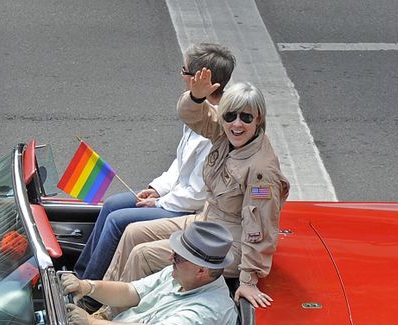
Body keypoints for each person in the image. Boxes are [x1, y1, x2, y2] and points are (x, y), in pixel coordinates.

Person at [102, 73, 290, 309]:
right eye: (230, 116)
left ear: (258, 119)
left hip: (230, 243)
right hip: (206, 222)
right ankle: (103, 297)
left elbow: (259, 228)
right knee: (132, 233)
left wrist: (249, 279)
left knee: (143, 254)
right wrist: (196, 96)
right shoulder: (225, 134)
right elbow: (194, 115)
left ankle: (113, 317)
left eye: (246, 117)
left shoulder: (262, 171)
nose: (237, 124)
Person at [72, 43, 236, 282]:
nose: (182, 76)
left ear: (201, 79)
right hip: (172, 195)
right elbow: (181, 165)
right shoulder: (199, 110)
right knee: (111, 205)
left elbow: (198, 192)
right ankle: (81, 272)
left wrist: (160, 201)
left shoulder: (220, 126)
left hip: (186, 206)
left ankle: (90, 286)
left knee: (118, 222)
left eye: (185, 71)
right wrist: (156, 189)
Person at [62, 221, 238, 325]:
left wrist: (91, 323)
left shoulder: (210, 311)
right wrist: (86, 286)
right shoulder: (181, 275)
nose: (171, 258)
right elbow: (130, 291)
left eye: (177, 257)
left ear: (201, 270)